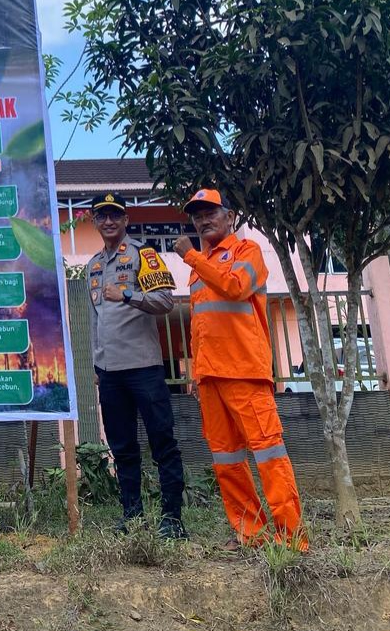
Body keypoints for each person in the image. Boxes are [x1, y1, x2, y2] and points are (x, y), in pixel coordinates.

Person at [173, 189, 307, 551]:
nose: (203, 220)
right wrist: (198, 375)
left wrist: (190, 256)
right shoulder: (200, 267)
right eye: (197, 215)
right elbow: (200, 326)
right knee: (227, 460)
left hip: (245, 372)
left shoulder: (247, 252)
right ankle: (252, 535)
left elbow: (234, 287)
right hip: (211, 377)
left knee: (269, 454)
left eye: (210, 213)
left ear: (230, 217)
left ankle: (291, 539)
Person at [84, 193, 187, 539]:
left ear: (126, 220)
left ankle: (172, 519)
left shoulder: (144, 255)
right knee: (122, 448)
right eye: (102, 216)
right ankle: (132, 517)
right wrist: (97, 364)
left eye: (115, 215)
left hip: (144, 367)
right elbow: (95, 319)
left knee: (163, 442)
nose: (109, 221)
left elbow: (165, 301)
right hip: (109, 372)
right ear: (94, 221)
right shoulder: (93, 266)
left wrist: (128, 295)